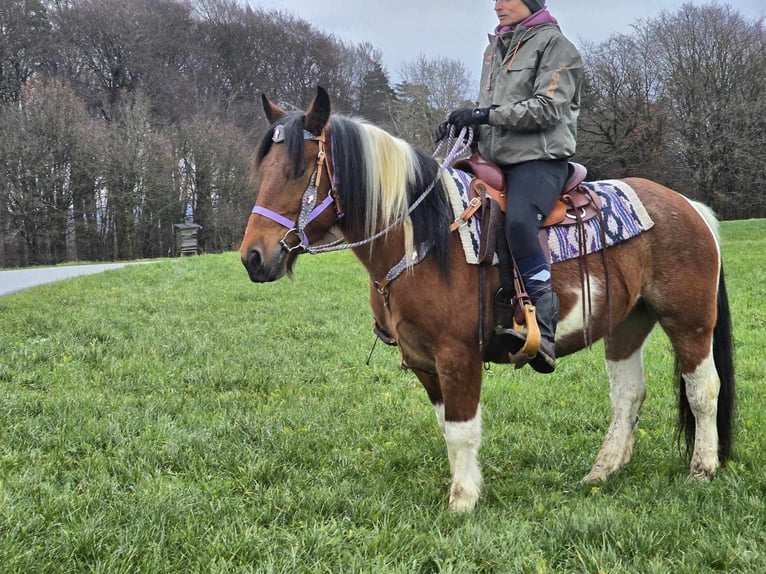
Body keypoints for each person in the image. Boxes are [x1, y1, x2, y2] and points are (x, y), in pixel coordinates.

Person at [436, 0, 583, 373]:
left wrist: (484, 115)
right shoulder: (495, 48)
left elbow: (547, 108)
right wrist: (463, 122)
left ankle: (543, 323)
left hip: (540, 159)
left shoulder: (557, 47)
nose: (497, 5)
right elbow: (492, 106)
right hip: (494, 160)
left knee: (518, 221)